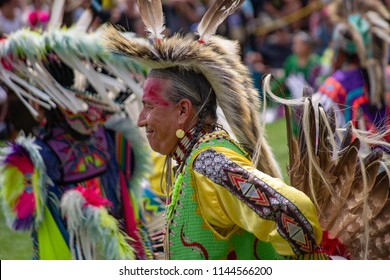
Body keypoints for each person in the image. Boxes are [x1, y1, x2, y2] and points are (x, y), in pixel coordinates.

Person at [104, 0, 328, 260]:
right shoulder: (193, 159)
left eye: (149, 107)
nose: (141, 119)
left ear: (183, 111)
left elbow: (295, 214)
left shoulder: (210, 164)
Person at [0, 26, 158, 259]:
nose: (94, 116)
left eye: (99, 109)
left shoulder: (115, 138)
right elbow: (25, 215)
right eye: (85, 108)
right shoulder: (38, 157)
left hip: (120, 247)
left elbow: (127, 198)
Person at [313, 0, 390, 145]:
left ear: (339, 49)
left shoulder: (333, 87)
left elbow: (321, 149)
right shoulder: (386, 75)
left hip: (354, 166)